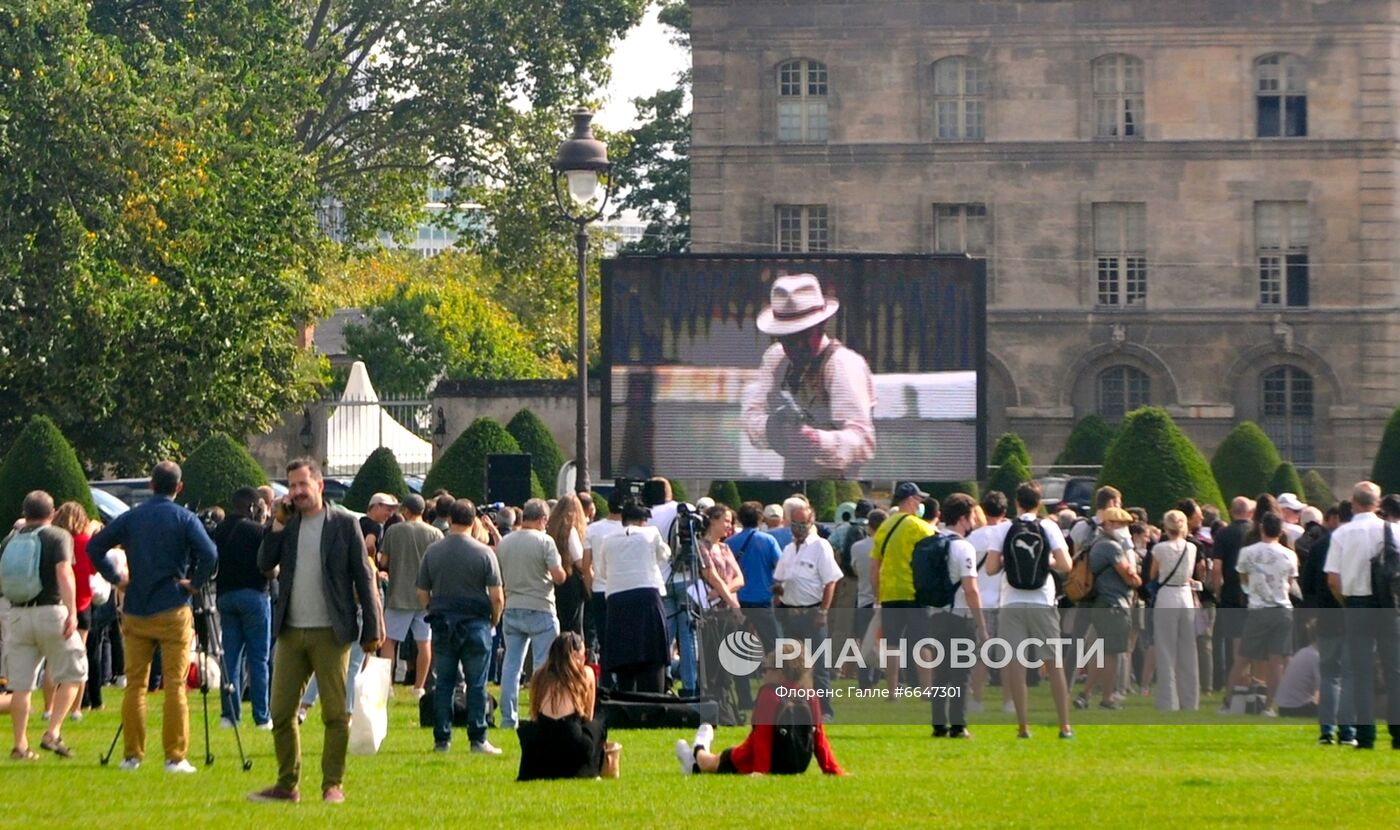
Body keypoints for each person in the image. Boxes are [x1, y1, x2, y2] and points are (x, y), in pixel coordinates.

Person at [250, 458, 383, 804]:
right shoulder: (287, 524)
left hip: (332, 632)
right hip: (290, 631)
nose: (296, 492)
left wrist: (372, 627)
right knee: (281, 712)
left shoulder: (343, 523)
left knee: (336, 714)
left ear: (319, 486)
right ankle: (286, 785)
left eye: (302, 485)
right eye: (292, 486)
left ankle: (332, 785)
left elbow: (364, 576)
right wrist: (277, 524)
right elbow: (264, 563)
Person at [89, 462, 217, 773]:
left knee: (135, 684)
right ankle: (175, 756)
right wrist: (195, 583)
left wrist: (116, 577)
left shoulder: (132, 517)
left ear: (150, 484)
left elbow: (95, 546)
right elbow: (210, 553)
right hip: (173, 605)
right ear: (179, 487)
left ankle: (132, 755)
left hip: (136, 607)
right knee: (174, 684)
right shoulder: (184, 518)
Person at [740, 273, 876, 478]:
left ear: (821, 326)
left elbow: (863, 443)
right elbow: (751, 419)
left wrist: (816, 440)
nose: (795, 345)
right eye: (786, 337)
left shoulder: (842, 364)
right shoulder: (776, 359)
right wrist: (774, 427)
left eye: (802, 335)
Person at [1, 491, 87, 760]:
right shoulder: (57, 536)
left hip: (17, 614)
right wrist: (72, 613)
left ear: (24, 513)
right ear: (53, 513)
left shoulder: (9, 540)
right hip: (51, 611)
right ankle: (53, 732)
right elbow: (64, 572)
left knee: (21, 686)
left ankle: (20, 745)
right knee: (75, 673)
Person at [985, 481, 1075, 739]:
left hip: (1011, 600)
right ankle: (1064, 725)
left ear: (1017, 502)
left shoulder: (1003, 529)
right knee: (1053, 663)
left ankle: (1023, 726)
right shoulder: (1048, 526)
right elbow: (1066, 565)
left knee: (1016, 665)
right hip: (1042, 599)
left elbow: (991, 569)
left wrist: (1009, 561)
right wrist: (1046, 560)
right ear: (1039, 503)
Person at [416, 499, 504, 755]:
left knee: (444, 683)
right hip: (476, 622)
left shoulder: (433, 551)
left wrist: (432, 609)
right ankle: (478, 738)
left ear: (450, 520)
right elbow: (497, 596)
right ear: (473, 520)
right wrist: (493, 619)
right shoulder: (484, 553)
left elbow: (422, 591)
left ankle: (442, 740)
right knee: (477, 684)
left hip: (443, 622)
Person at [675, 649, 844, 776]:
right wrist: (832, 769)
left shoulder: (769, 695)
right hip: (793, 763)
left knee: (707, 762)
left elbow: (763, 735)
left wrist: (760, 770)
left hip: (749, 758)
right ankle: (696, 752)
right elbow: (819, 737)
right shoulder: (810, 695)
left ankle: (699, 745)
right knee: (712, 761)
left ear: (780, 673)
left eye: (766, 669)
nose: (763, 673)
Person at [1325, 484, 1400, 750]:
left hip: (1357, 603)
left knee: (1361, 671)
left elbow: (1333, 580)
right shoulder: (1394, 530)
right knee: (1395, 670)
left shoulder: (1342, 533)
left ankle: (1366, 735)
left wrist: (1346, 602)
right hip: (1389, 605)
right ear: (1378, 503)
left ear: (1353, 502)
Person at [496, 498, 566, 729]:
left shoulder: (505, 542)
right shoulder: (545, 541)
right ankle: (539, 714)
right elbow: (558, 576)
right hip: (540, 607)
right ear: (543, 519)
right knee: (541, 666)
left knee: (511, 666)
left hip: (512, 606)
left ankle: (508, 718)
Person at [773, 504, 843, 718]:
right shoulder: (788, 549)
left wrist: (823, 611)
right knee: (791, 665)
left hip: (812, 614)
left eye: (803, 523)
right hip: (789, 613)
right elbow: (779, 578)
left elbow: (830, 581)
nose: (799, 528)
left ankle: (824, 711)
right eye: (795, 523)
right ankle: (793, 708)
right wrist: (778, 593)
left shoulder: (820, 546)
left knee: (819, 665)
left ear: (811, 522)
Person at [595, 500, 671, 692]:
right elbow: (664, 554)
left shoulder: (607, 539)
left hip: (617, 599)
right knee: (652, 650)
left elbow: (603, 572)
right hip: (647, 594)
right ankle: (654, 692)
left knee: (623, 651)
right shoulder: (651, 533)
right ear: (643, 520)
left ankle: (625, 691)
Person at [213, 487, 271, 729]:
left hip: (226, 596)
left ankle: (229, 715)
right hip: (254, 595)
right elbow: (270, 567)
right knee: (258, 659)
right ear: (252, 506)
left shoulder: (219, 530)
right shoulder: (258, 531)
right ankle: (261, 716)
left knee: (230, 659)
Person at [869, 482, 935, 695]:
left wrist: (877, 595)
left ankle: (891, 692)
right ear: (910, 500)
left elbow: (874, 566)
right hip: (914, 592)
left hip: (890, 593)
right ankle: (927, 691)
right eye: (918, 499)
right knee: (922, 643)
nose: (920, 503)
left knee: (891, 645)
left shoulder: (884, 527)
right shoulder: (920, 527)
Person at [932, 493, 988, 738]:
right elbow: (971, 589)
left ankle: (938, 724)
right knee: (960, 673)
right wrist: (982, 625)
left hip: (936, 614)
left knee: (941, 672)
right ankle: (958, 725)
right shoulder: (963, 547)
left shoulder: (933, 541)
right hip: (959, 616)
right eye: (972, 517)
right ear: (963, 519)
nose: (974, 522)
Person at [515, 633, 607, 781]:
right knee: (599, 722)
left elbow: (535, 713)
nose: (585, 659)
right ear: (575, 655)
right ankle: (591, 769)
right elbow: (588, 716)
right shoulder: (585, 674)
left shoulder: (540, 675)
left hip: (541, 741)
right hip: (570, 737)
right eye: (584, 654)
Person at [1075, 507, 1141, 711]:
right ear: (1109, 524)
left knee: (1102, 652)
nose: (1125, 529)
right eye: (1121, 524)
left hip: (1102, 603)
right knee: (1111, 653)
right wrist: (1136, 578)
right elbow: (1130, 578)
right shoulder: (1111, 547)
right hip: (1113, 604)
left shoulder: (1096, 543)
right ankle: (1107, 698)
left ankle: (1086, 694)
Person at [1235, 511, 1299, 716]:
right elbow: (1289, 582)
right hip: (1282, 609)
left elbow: (1244, 581)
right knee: (1276, 661)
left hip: (1258, 608)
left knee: (1243, 658)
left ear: (1261, 528)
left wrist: (1254, 590)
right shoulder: (1290, 554)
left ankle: (1228, 702)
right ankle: (1269, 706)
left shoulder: (1247, 552)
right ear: (1281, 531)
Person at [378, 494, 441, 699]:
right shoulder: (435, 533)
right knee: (424, 643)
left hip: (398, 594)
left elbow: (384, 561)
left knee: (389, 642)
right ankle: (419, 687)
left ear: (406, 510)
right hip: (425, 597)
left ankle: (387, 685)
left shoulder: (394, 531)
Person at [1302, 503, 1355, 745]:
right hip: (1354, 612)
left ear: (1336, 517)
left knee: (1329, 675)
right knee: (1350, 675)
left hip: (1326, 615)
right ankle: (1348, 731)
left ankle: (1327, 730)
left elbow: (1309, 584)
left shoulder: (1320, 545)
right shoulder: (1358, 543)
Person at [45, 501, 94, 722]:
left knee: (52, 659)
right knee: (79, 657)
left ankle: (49, 707)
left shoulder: (54, 542)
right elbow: (93, 569)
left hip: (57, 603)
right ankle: (76, 708)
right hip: (82, 603)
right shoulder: (85, 542)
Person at [1150, 510, 1199, 711]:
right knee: (1189, 650)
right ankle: (1190, 700)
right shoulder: (1192, 547)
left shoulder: (1159, 548)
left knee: (1165, 649)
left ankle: (1168, 700)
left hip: (1167, 595)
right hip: (1186, 595)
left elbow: (1153, 574)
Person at [967, 491, 1010, 714]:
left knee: (980, 655)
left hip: (980, 601)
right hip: (1005, 599)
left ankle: (976, 700)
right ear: (1005, 511)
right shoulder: (1009, 532)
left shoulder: (973, 538)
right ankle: (1008, 701)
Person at [1211, 496, 1254, 694]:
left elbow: (1216, 567)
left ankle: (1238, 686)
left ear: (1231, 511)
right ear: (1249, 512)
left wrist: (1218, 591)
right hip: (1253, 593)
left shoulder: (1223, 533)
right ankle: (1251, 684)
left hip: (1230, 593)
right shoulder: (1256, 532)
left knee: (1236, 644)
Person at [582, 497, 624, 667]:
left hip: (599, 588)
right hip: (621, 589)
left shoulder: (592, 529)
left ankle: (606, 676)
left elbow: (586, 566)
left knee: (603, 640)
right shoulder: (629, 529)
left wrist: (590, 590)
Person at [849, 508, 885, 691]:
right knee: (882, 641)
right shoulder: (888, 546)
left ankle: (864, 681)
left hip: (864, 598)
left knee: (864, 641)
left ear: (869, 526)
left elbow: (855, 570)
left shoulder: (857, 547)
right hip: (885, 599)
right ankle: (877, 677)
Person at [546, 494, 589, 637]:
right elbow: (580, 562)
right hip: (571, 582)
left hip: (554, 578)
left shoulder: (550, 528)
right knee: (573, 628)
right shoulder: (571, 531)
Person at [360, 493, 399, 565]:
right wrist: (372, 563)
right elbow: (369, 545)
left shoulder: (359, 522)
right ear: (377, 507)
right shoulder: (375, 527)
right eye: (388, 510)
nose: (390, 515)